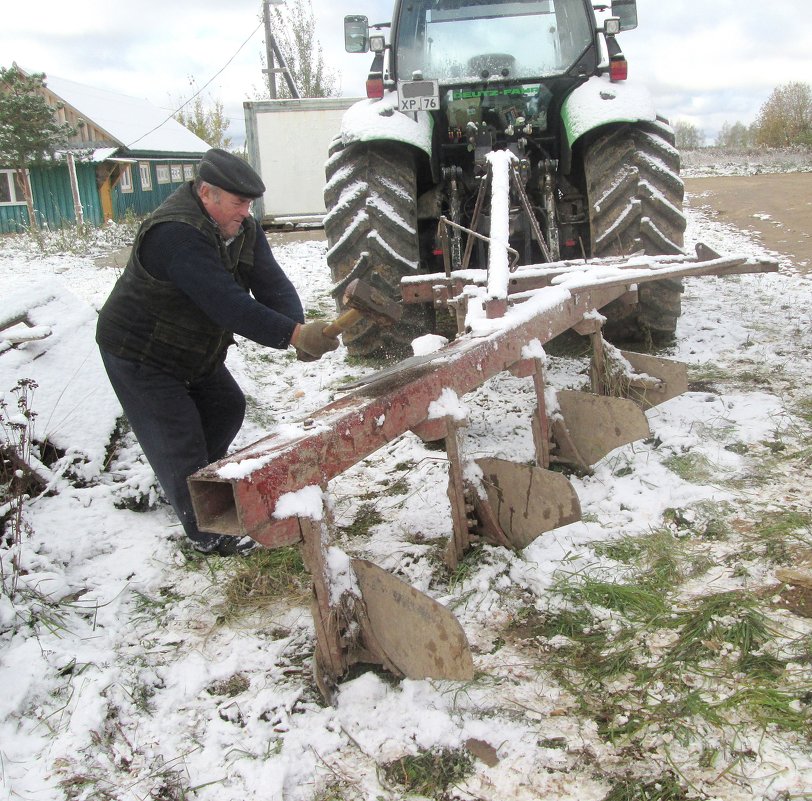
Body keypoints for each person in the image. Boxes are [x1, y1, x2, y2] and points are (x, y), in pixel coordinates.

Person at [96, 148, 339, 556]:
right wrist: (294, 334)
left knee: (226, 407)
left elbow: (271, 285)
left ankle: (196, 489)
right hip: (141, 353)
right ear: (207, 194)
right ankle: (208, 532)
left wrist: (298, 330)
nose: (245, 212)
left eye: (249, 203)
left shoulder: (242, 229)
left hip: (191, 350)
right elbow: (227, 303)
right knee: (180, 437)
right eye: (238, 202)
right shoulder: (175, 234)